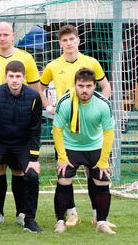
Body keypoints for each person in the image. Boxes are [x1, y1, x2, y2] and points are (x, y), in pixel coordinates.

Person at [40, 24, 112, 228]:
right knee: (66, 172)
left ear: (78, 40)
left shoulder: (91, 62)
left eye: (72, 39)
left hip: (90, 130)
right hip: (66, 130)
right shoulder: (53, 66)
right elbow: (40, 88)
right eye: (64, 40)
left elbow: (106, 86)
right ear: (60, 43)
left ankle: (98, 216)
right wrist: (49, 106)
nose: (69, 43)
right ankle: (71, 213)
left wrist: (100, 106)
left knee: (94, 173)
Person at [0, 22, 42, 227]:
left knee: (28, 173)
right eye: (11, 76)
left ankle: (26, 216)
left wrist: (34, 158)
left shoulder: (32, 94)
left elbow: (35, 127)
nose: (15, 80)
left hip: (21, 140)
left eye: (18, 76)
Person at [52, 68, 116, 235]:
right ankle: (60, 221)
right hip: (70, 147)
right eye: (81, 86)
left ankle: (101, 222)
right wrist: (62, 158)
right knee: (63, 179)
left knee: (102, 181)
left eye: (88, 86)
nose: (84, 90)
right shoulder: (65, 102)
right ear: (75, 85)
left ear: (95, 86)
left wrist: (104, 160)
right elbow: (57, 130)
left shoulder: (103, 104)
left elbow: (109, 133)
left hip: (95, 146)